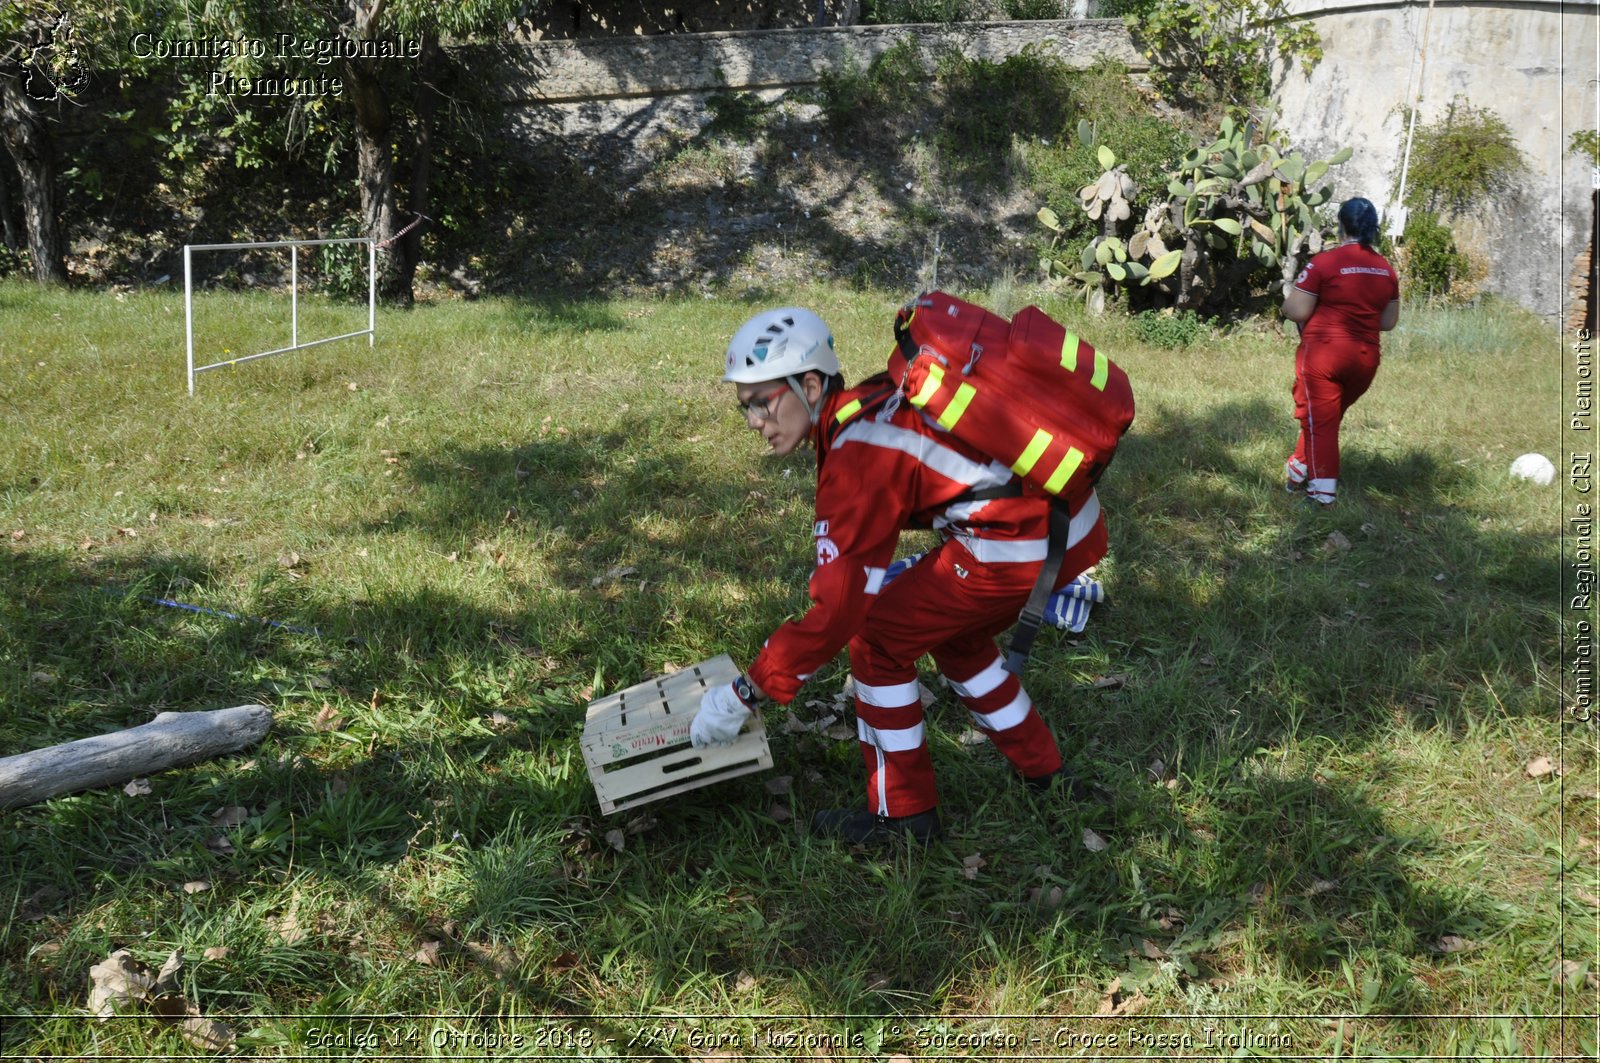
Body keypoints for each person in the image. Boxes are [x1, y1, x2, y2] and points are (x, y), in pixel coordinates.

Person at [689, 305, 1109, 846]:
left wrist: (743, 695)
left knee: (878, 639)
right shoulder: (867, 403)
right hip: (1068, 520)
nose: (753, 422)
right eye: (743, 406)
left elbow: (839, 612)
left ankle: (904, 817)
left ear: (810, 385)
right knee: (956, 638)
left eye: (762, 402)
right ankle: (1048, 775)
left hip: (1020, 542)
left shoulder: (858, 453)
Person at [1281, 197, 1401, 506]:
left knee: (1320, 422)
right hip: (1365, 361)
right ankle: (1297, 468)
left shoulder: (1325, 262)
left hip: (1324, 356)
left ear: (1341, 226)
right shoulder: (1386, 270)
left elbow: (1295, 310)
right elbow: (1388, 322)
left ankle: (1322, 496)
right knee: (1323, 419)